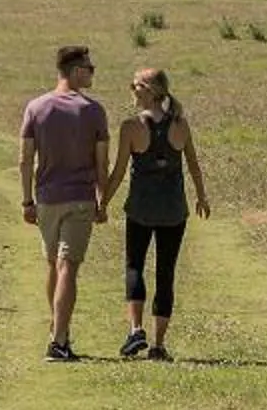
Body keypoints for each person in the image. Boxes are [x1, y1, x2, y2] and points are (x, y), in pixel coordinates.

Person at [112, 66, 209, 362]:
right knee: (166, 273)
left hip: (140, 209)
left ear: (150, 91)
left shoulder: (131, 127)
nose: (132, 90)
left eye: (136, 85)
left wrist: (102, 201)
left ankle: (136, 330)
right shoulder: (180, 125)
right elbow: (193, 165)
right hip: (173, 211)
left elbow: (118, 171)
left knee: (134, 266)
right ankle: (158, 345)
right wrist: (201, 196)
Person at [20, 43, 109, 361]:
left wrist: (27, 200)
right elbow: (102, 163)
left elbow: (25, 159)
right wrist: (103, 200)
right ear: (75, 71)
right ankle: (59, 341)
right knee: (67, 267)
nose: (93, 73)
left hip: (46, 199)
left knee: (53, 266)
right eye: (89, 68)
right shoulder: (93, 111)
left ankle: (58, 330)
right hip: (80, 198)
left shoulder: (36, 107)